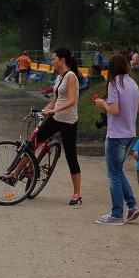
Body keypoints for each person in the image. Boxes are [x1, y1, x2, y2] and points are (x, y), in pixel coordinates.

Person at [93, 54, 139, 225]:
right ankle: (132, 205)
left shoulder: (114, 84)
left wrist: (103, 104)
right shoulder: (133, 83)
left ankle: (116, 214)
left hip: (116, 135)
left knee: (113, 174)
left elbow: (114, 110)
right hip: (130, 133)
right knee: (118, 170)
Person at [39, 47, 83, 205]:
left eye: (54, 59)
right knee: (34, 140)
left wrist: (55, 109)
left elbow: (72, 101)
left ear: (62, 60)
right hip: (56, 117)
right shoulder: (59, 78)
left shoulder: (71, 76)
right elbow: (53, 100)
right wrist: (42, 111)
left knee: (71, 157)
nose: (52, 62)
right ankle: (17, 173)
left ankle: (77, 194)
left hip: (68, 121)